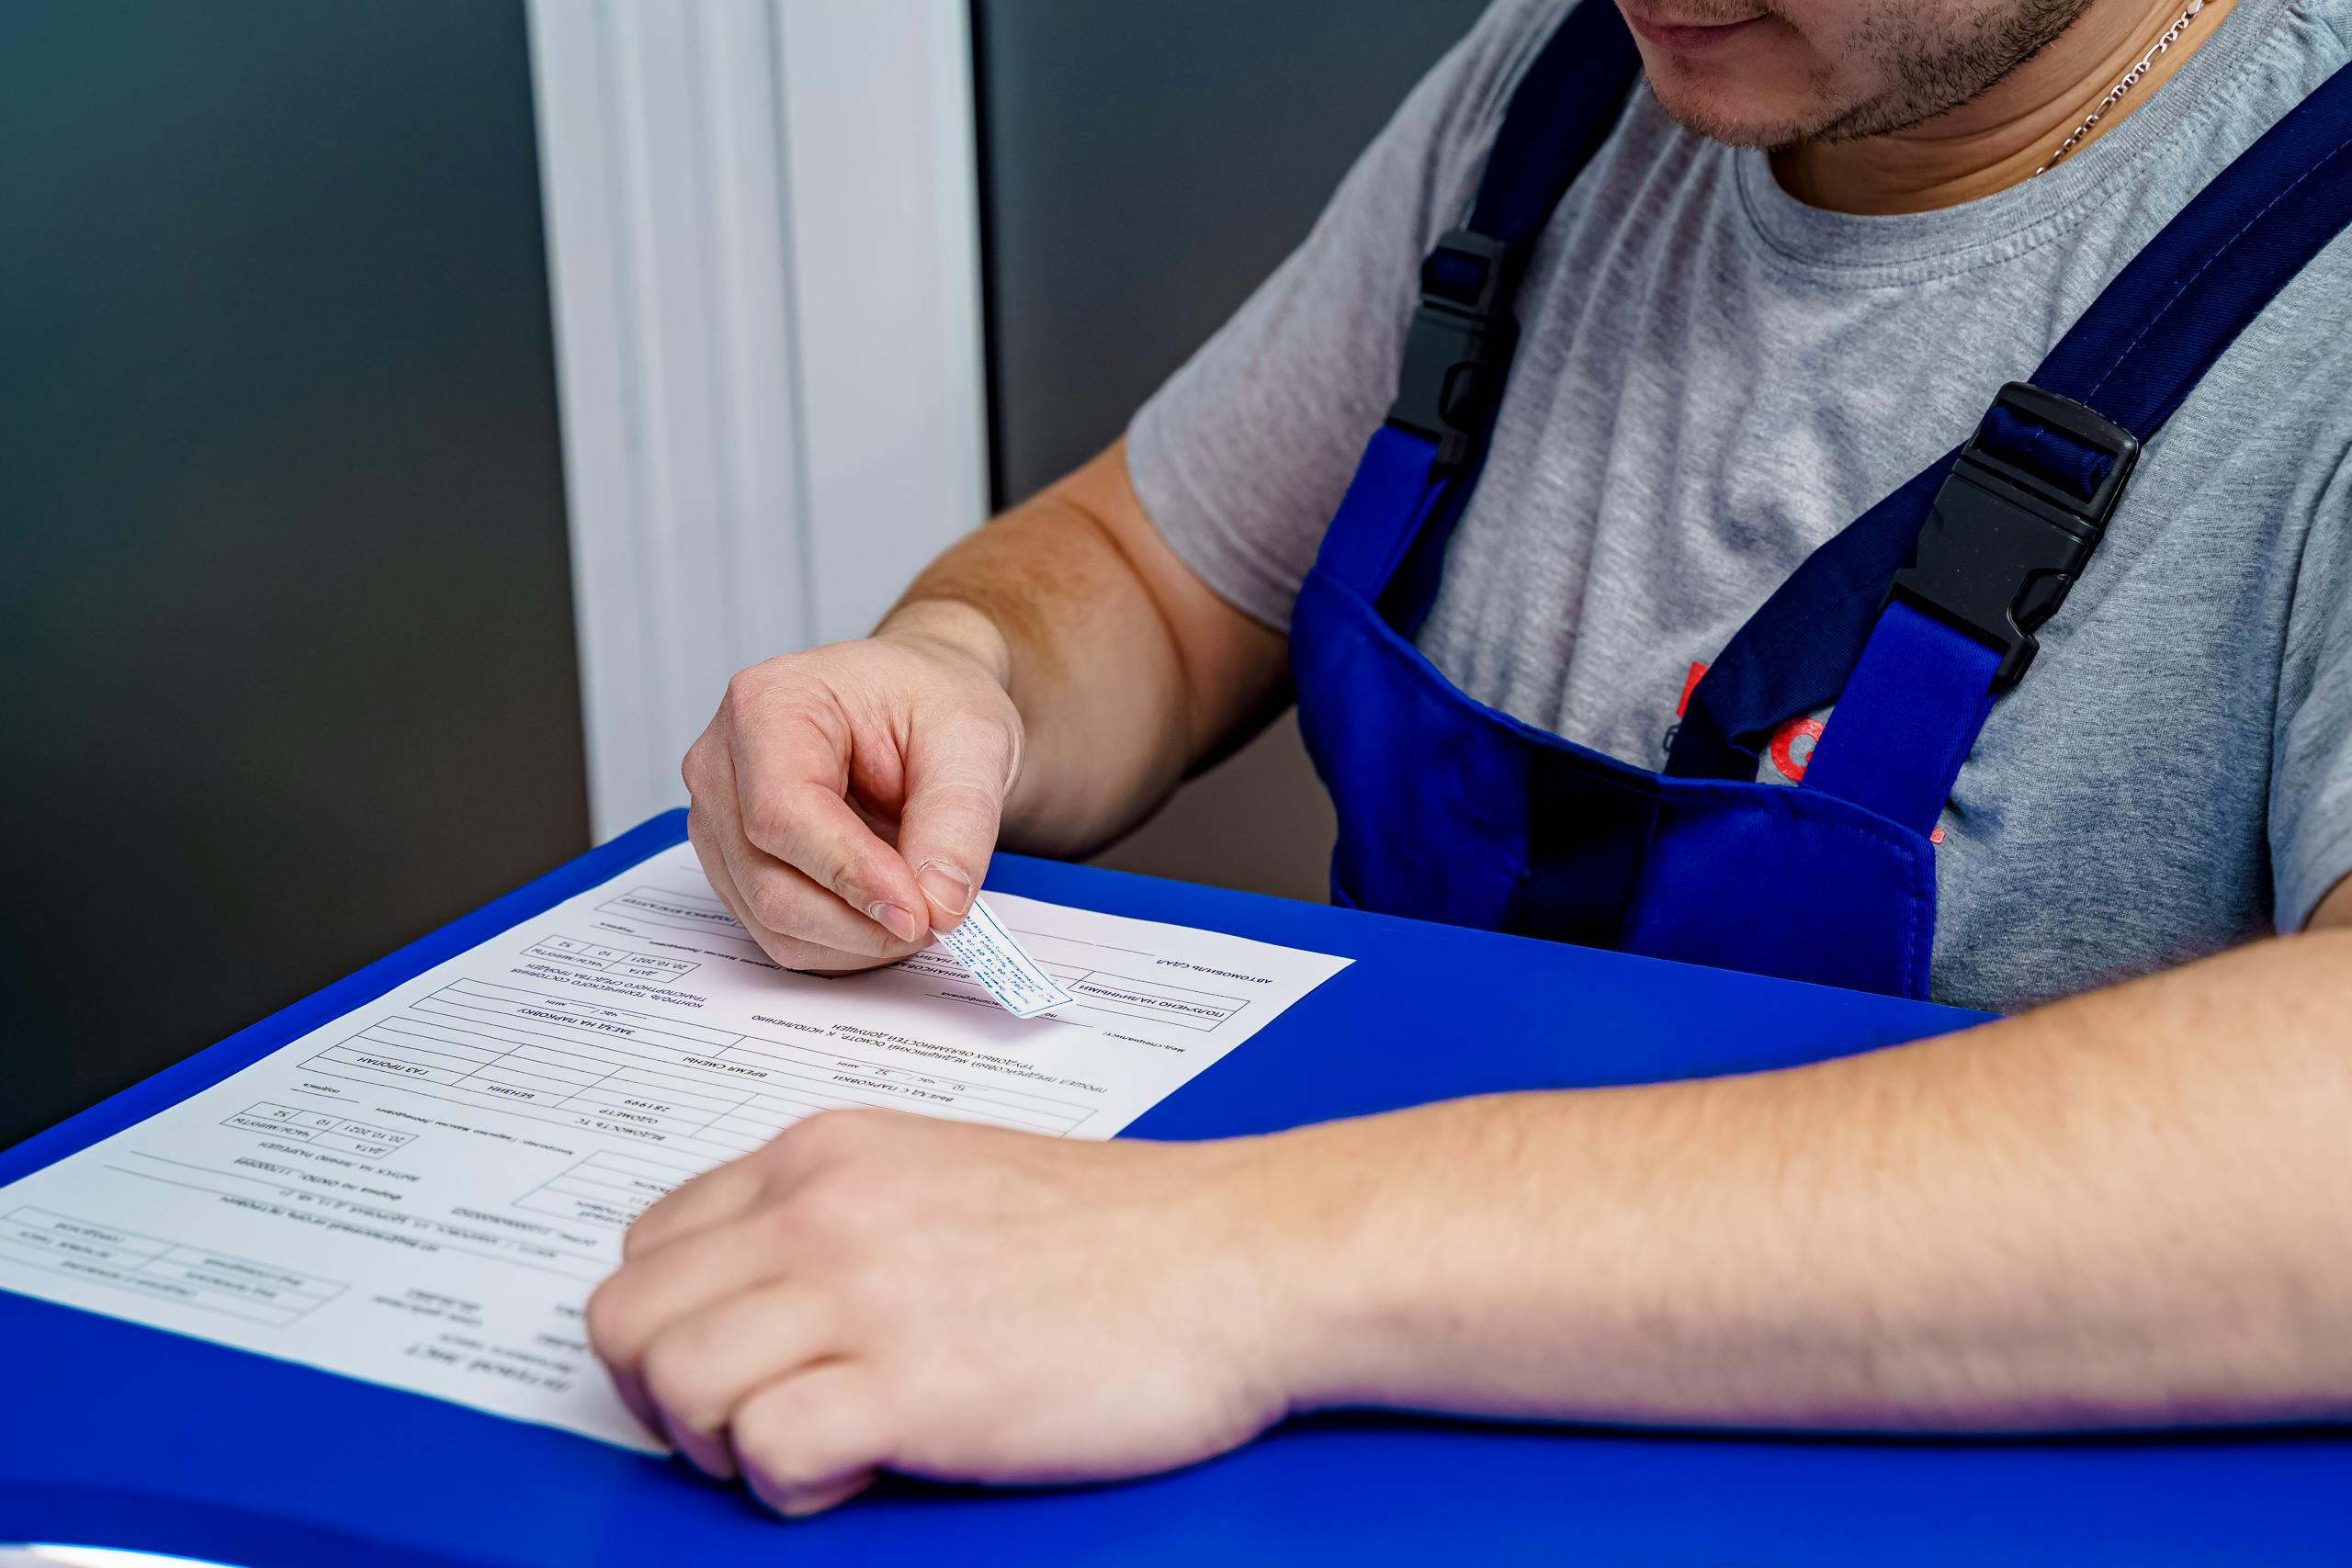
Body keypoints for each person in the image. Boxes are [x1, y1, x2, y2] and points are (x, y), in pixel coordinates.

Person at [584, 0, 2352, 1518]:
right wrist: (954, 669)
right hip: (1299, 1397)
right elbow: (1146, 570)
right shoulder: (1579, 87)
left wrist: (1246, 1257)